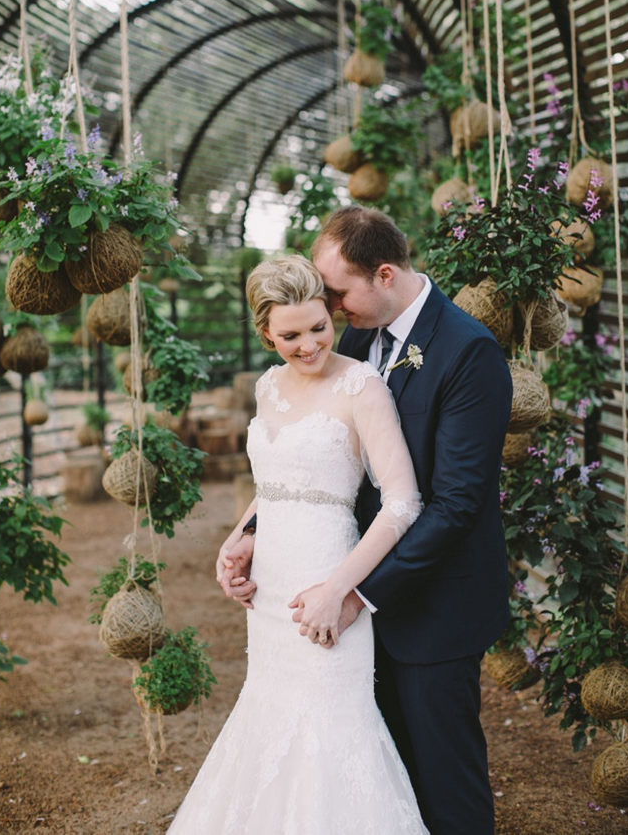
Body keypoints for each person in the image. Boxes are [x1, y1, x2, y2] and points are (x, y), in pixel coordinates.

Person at [222, 206, 512, 835]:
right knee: (375, 780)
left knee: (444, 780)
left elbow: (457, 503)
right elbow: (311, 461)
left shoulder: (468, 352)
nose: (326, 310)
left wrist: (354, 593)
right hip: (338, 604)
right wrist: (250, 534)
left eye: (337, 293)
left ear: (383, 275)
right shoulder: (347, 336)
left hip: (434, 604)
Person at [168, 255, 429, 834]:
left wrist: (339, 589)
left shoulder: (362, 385)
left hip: (329, 585)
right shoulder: (266, 387)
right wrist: (237, 541)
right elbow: (273, 487)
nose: (309, 345)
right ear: (265, 333)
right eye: (290, 336)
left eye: (319, 328)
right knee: (269, 722)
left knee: (334, 730)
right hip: (270, 596)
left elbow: (403, 503)